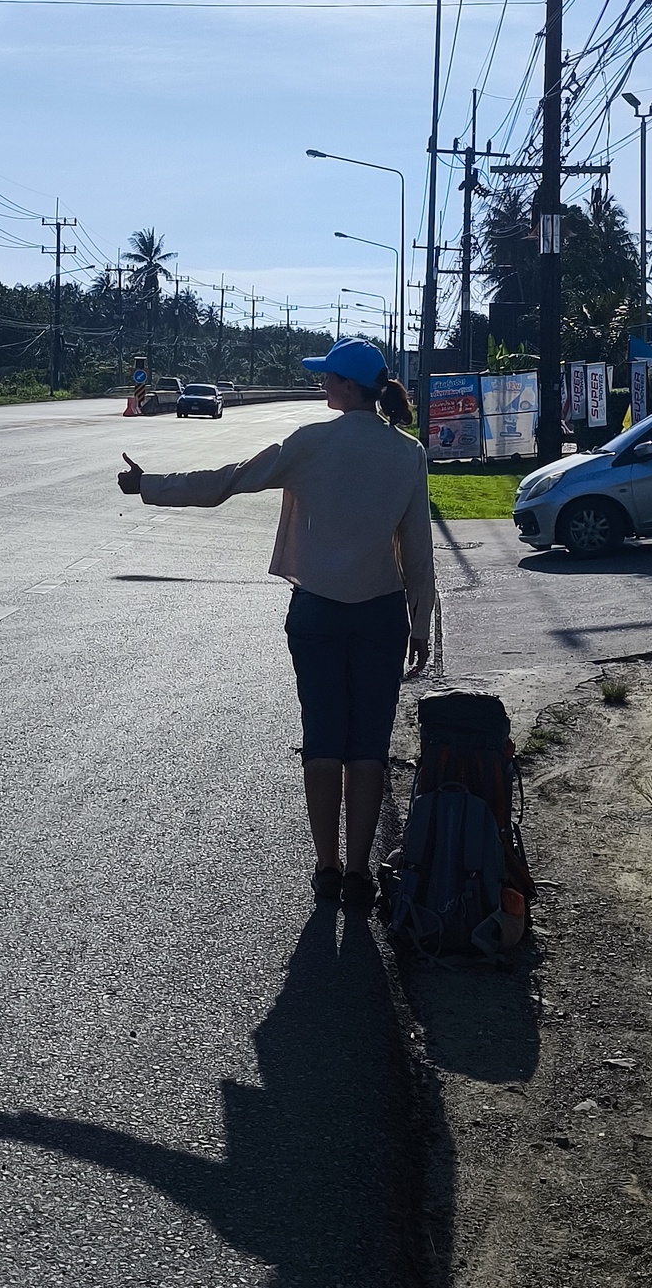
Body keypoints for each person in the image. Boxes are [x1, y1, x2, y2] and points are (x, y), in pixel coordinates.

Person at [116, 338, 432, 913]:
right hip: (382, 613)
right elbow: (417, 548)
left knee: (322, 741)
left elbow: (226, 482)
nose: (321, 386)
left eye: (326, 379)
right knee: (368, 747)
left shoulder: (309, 444)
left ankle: (328, 869)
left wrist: (149, 486)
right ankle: (360, 871)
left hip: (316, 611)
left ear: (343, 388)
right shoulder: (407, 453)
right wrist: (422, 620)